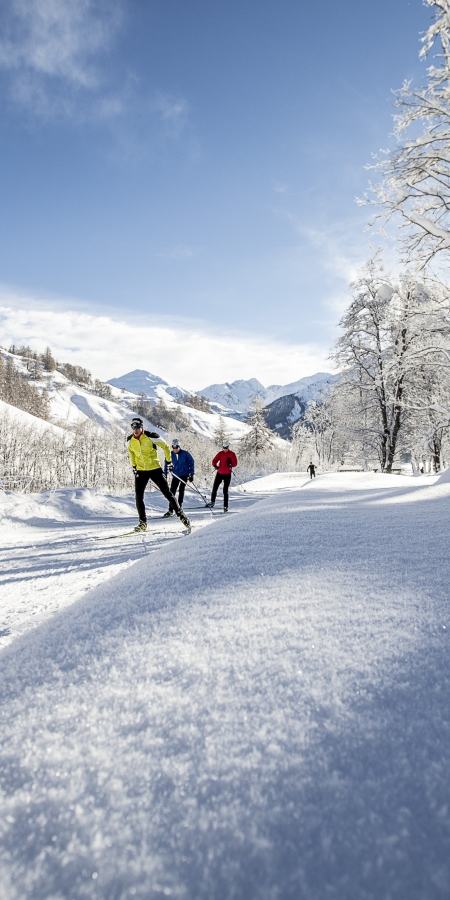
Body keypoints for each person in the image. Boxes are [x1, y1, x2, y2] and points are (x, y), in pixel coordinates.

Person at [127, 417, 191, 531]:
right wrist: (134, 466)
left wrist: (169, 462)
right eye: (133, 427)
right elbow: (131, 452)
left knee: (167, 493)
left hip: (155, 469)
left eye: (137, 427)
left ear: (142, 427)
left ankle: (182, 516)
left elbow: (166, 446)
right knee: (138, 496)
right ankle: (142, 523)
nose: (135, 430)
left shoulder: (151, 436)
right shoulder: (130, 440)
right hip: (141, 471)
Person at [163, 438, 195, 516]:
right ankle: (170, 509)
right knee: (172, 492)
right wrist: (165, 475)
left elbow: (192, 462)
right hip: (175, 475)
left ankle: (179, 507)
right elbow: (166, 465)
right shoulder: (170, 454)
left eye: (176, 447)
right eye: (173, 447)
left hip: (184, 475)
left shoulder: (185, 453)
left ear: (179, 446)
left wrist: (191, 474)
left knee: (181, 490)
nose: (175, 449)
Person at [210, 441, 238, 512]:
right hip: (219, 473)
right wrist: (215, 465)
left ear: (228, 447)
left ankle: (225, 506)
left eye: (226, 448)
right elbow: (214, 460)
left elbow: (235, 463)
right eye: (224, 448)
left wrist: (230, 464)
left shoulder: (232, 454)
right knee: (214, 488)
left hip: (227, 474)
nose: (225, 449)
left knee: (225, 491)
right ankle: (212, 502)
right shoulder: (220, 453)